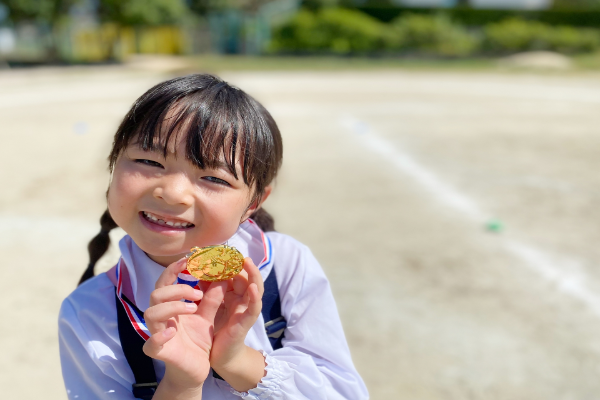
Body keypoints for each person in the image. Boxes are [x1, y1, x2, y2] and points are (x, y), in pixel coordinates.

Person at [58, 74, 369, 400]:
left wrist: (236, 360)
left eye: (212, 178)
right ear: (113, 166)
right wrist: (181, 383)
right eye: (148, 161)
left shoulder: (287, 265)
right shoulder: (89, 313)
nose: (173, 193)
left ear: (253, 203)